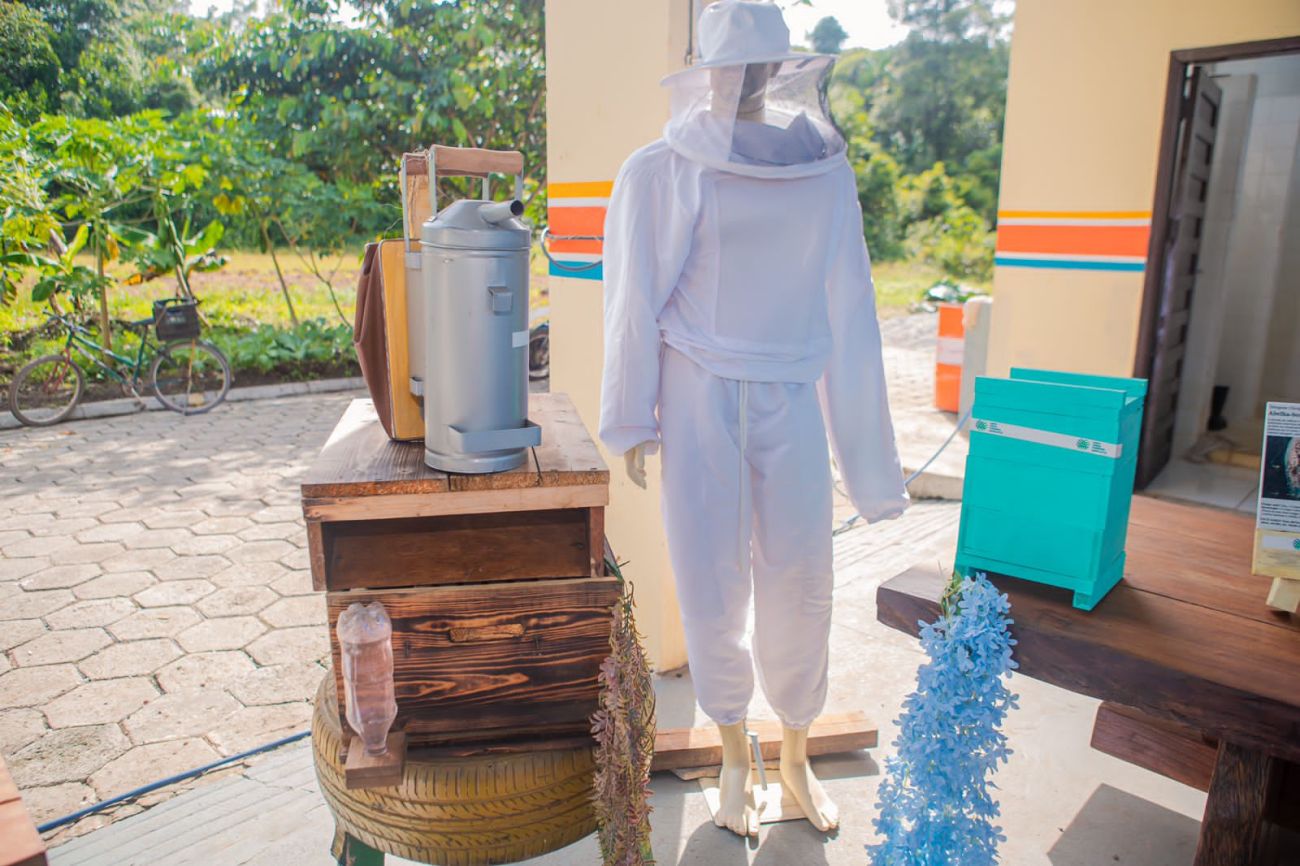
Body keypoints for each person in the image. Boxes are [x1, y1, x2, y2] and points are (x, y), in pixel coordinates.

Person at [599, 0, 908, 837]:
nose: (748, 81)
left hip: (791, 390)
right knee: (709, 575)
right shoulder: (660, 169)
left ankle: (796, 751)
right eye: (734, 67)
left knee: (802, 573)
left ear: (782, 67)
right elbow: (631, 300)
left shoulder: (823, 170)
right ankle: (736, 751)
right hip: (697, 390)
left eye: (759, 65)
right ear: (707, 70)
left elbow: (850, 308)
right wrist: (630, 417)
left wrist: (868, 462)